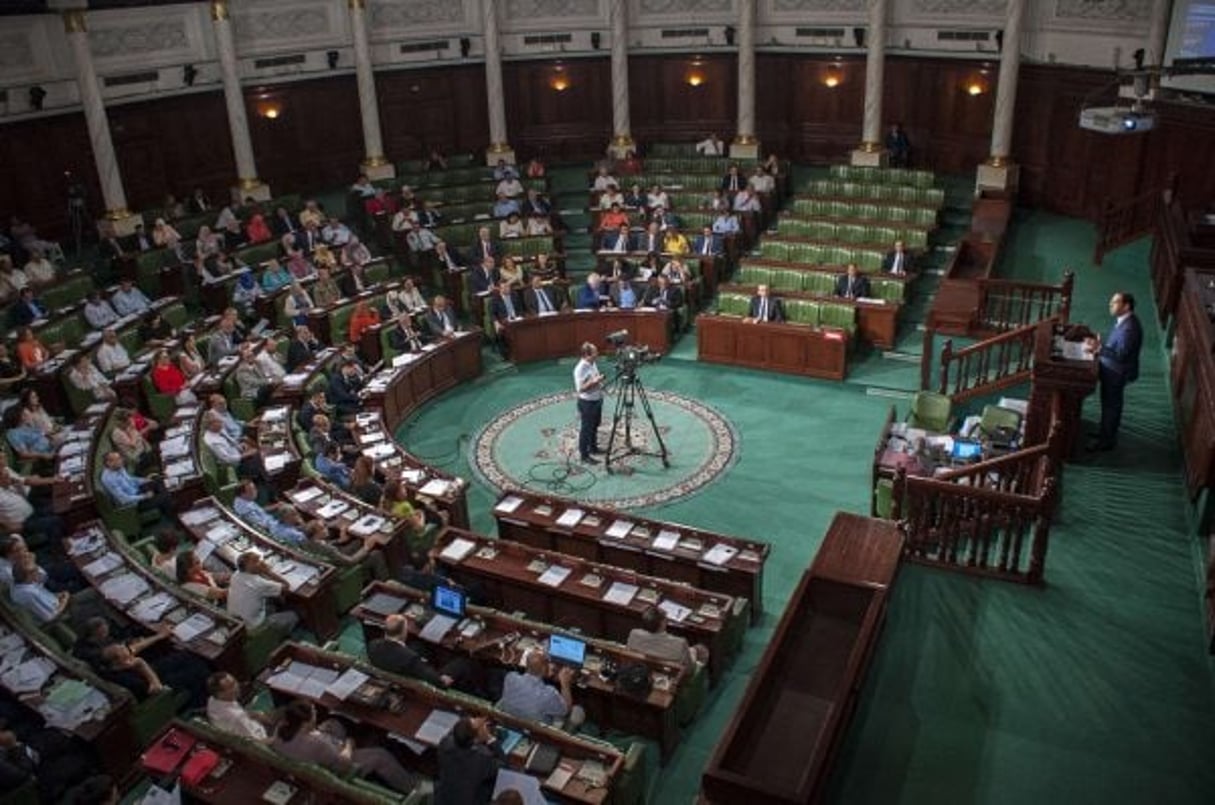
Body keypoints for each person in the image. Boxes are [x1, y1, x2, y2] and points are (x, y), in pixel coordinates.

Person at [274, 700, 427, 795]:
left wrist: (322, 732)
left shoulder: (281, 729)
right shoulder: (317, 744)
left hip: (311, 755)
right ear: (306, 722)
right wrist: (349, 745)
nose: (315, 715)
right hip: (337, 770)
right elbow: (344, 765)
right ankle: (414, 788)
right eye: (313, 713)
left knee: (333, 723)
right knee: (380, 755)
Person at [1086, 291, 1144, 451]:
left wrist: (1098, 348)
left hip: (1117, 372)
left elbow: (1121, 355)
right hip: (1112, 369)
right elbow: (1116, 346)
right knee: (1109, 405)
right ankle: (1104, 433)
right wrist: (1100, 345)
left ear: (1126, 306)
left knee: (1111, 406)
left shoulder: (1130, 328)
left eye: (1115, 302)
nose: (1110, 305)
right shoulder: (1124, 320)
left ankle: (1106, 441)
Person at [496, 650, 585, 730]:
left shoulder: (510, 677)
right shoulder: (549, 694)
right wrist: (565, 683)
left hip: (511, 722)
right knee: (578, 711)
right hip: (537, 730)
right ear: (544, 669)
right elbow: (566, 710)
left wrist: (545, 671)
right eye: (547, 664)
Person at [435, 716, 506, 805]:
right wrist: (489, 739)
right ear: (475, 739)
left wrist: (473, 727)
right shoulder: (482, 759)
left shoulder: (445, 744)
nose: (478, 720)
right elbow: (503, 765)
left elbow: (457, 732)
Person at [227, 550, 299, 632]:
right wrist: (267, 571)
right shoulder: (260, 584)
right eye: (256, 561)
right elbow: (286, 586)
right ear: (248, 567)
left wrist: (260, 571)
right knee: (293, 615)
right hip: (253, 627)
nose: (261, 562)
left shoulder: (236, 575)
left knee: (271, 602)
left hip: (236, 622)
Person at [99, 449, 173, 519]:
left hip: (138, 490)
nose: (121, 461)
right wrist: (144, 496)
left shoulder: (118, 467)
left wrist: (145, 480)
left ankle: (166, 507)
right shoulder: (109, 479)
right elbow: (123, 499)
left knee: (158, 480)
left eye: (120, 458)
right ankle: (172, 517)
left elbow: (131, 480)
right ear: (109, 463)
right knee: (165, 496)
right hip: (134, 504)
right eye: (117, 459)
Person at [628, 605, 708, 668]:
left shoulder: (634, 633)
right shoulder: (680, 643)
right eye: (666, 619)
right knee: (700, 649)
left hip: (643, 666)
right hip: (674, 674)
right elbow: (689, 668)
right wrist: (693, 652)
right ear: (663, 624)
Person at [207, 671, 275, 742]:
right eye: (231, 687)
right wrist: (276, 739)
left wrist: (250, 714)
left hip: (248, 723)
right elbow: (258, 744)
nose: (236, 687)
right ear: (220, 694)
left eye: (234, 682)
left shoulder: (213, 699)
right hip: (262, 737)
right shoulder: (237, 718)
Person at [232, 480, 306, 545]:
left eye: (254, 488)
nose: (256, 491)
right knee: (291, 511)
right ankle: (304, 530)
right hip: (273, 527)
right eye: (252, 490)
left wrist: (276, 505)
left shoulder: (244, 500)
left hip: (270, 521)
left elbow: (260, 510)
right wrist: (282, 521)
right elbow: (262, 527)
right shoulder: (246, 510)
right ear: (243, 494)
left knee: (288, 508)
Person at [573, 342, 604, 465]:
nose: (598, 354)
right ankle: (584, 455)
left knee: (595, 425)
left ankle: (593, 448)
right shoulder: (580, 369)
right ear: (587, 355)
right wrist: (595, 381)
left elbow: (595, 378)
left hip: (597, 399)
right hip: (587, 403)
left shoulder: (593, 363)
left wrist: (598, 381)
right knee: (586, 429)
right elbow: (580, 388)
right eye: (595, 352)